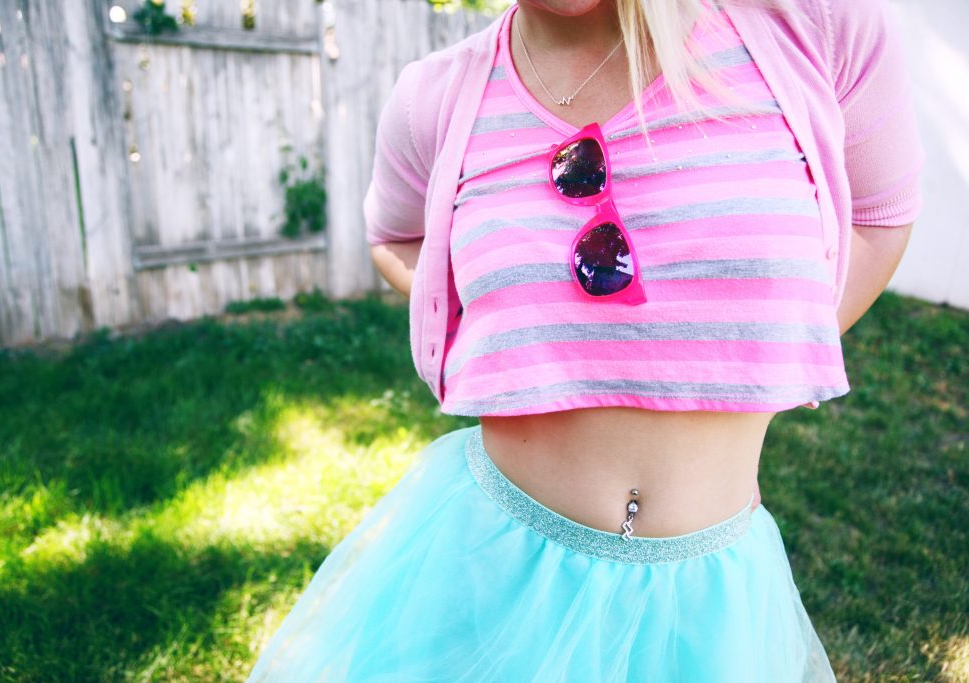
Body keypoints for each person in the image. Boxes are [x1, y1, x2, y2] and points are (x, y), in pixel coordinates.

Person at [246, 0, 923, 679]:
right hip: (494, 570)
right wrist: (492, 313)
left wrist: (753, 352)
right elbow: (395, 237)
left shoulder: (814, 23)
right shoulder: (434, 97)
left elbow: (880, 214)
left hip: (711, 599)